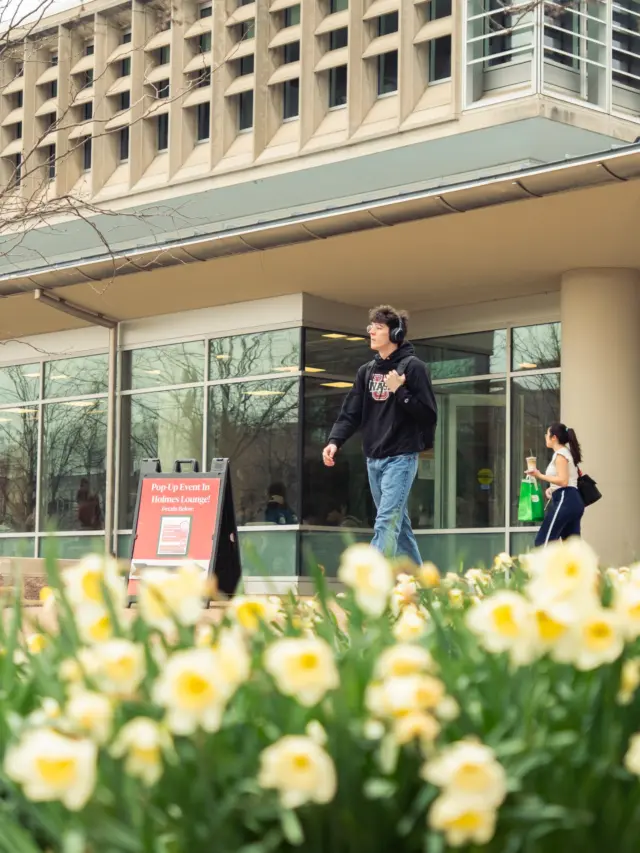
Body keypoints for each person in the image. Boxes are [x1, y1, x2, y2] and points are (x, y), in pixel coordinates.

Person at [322, 305, 437, 564]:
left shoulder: (414, 368)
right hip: (374, 458)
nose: (371, 331)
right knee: (399, 524)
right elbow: (351, 411)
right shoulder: (367, 371)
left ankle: (371, 582)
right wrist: (334, 441)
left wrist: (401, 392)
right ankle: (421, 587)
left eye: (379, 327)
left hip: (401, 458)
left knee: (386, 520)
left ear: (395, 334)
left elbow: (429, 415)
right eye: (370, 326)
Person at [528, 422, 584, 547]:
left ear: (554, 438)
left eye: (547, 434)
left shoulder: (561, 455)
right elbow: (566, 480)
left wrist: (539, 475)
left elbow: (563, 481)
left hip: (566, 498)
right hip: (571, 499)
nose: (545, 437)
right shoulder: (566, 453)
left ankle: (540, 567)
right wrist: (552, 489)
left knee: (543, 542)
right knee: (571, 547)